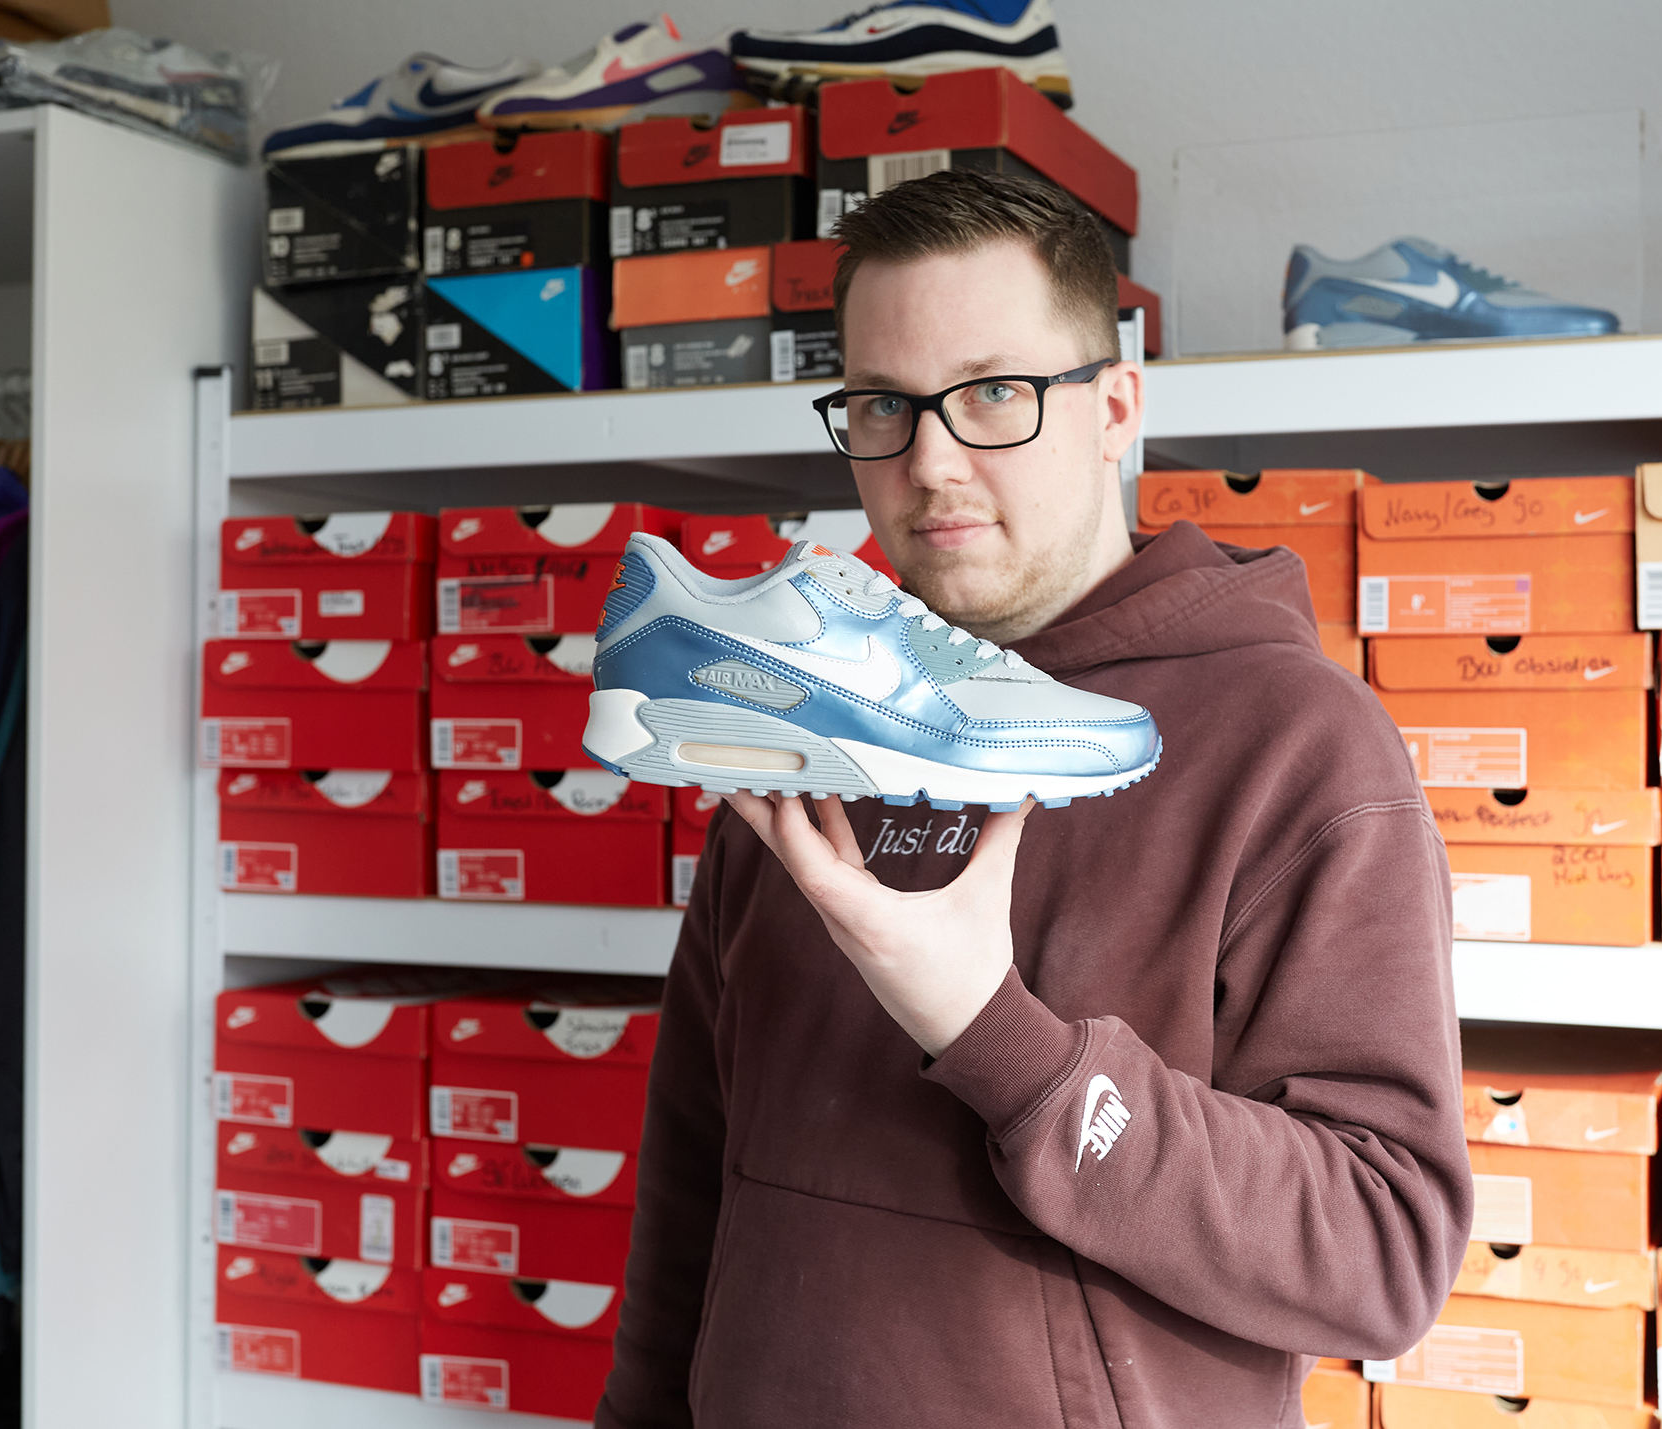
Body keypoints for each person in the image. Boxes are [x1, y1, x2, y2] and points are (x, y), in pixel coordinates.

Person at [596, 169, 1472, 1429]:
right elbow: (694, 1177)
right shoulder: (801, 723)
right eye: (882, 404)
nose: (929, 461)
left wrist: (997, 1036)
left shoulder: (1297, 743)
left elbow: (1380, 1252)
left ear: (1113, 408)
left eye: (994, 393)